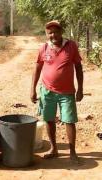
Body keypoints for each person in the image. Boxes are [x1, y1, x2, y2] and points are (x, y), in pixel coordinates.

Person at [30, 20, 83, 163]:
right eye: (50, 32)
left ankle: (73, 153)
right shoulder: (44, 48)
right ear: (47, 34)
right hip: (47, 91)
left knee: (69, 121)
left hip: (67, 92)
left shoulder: (71, 46)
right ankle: (54, 148)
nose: (53, 35)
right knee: (48, 119)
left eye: (56, 31)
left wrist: (80, 89)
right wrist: (33, 89)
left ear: (61, 32)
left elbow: (78, 67)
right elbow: (37, 69)